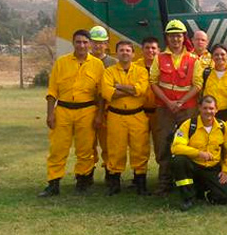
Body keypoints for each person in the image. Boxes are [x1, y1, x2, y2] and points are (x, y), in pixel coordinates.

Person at [39, 30, 106, 197]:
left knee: (85, 149)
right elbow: (52, 90)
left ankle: (83, 182)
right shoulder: (61, 62)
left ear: (90, 44)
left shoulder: (98, 65)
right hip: (63, 110)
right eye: (78, 42)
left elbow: (101, 94)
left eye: (85, 42)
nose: (82, 45)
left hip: (87, 110)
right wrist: (50, 114)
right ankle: (53, 183)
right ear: (73, 43)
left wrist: (99, 115)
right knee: (58, 148)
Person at [149, 19, 202, 195]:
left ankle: (188, 182)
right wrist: (168, 102)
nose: (175, 39)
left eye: (178, 36)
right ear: (167, 38)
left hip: (188, 108)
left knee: (188, 143)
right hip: (165, 109)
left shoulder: (194, 59)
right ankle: (164, 183)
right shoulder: (159, 58)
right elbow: (153, 82)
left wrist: (180, 102)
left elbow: (197, 84)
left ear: (183, 37)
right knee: (163, 144)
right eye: (171, 36)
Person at [170, 96, 227, 211]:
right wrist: (198, 153)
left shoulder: (222, 126)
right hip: (193, 165)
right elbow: (176, 147)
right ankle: (188, 198)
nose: (208, 111)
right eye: (205, 108)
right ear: (199, 108)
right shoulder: (189, 125)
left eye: (211, 108)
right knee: (179, 160)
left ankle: (203, 193)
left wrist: (226, 171)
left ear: (216, 109)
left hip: (212, 168)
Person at [101, 41, 151, 196]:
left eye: (128, 50)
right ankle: (114, 183)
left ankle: (140, 183)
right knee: (116, 149)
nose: (125, 53)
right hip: (116, 115)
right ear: (117, 53)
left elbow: (141, 90)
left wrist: (119, 86)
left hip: (137, 115)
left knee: (140, 149)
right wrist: (131, 89)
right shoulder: (109, 71)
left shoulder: (141, 71)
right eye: (121, 50)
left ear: (133, 54)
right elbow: (107, 93)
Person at [89, 25, 115, 179]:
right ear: (90, 43)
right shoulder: (85, 60)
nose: (98, 45)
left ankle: (109, 173)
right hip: (87, 108)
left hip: (108, 110)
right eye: (95, 42)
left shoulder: (112, 63)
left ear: (106, 44)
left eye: (101, 42)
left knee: (108, 144)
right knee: (88, 144)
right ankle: (87, 173)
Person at [193, 44, 227, 121]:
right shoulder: (205, 73)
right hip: (208, 113)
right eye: (216, 55)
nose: (219, 57)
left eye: (222, 54)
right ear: (212, 57)